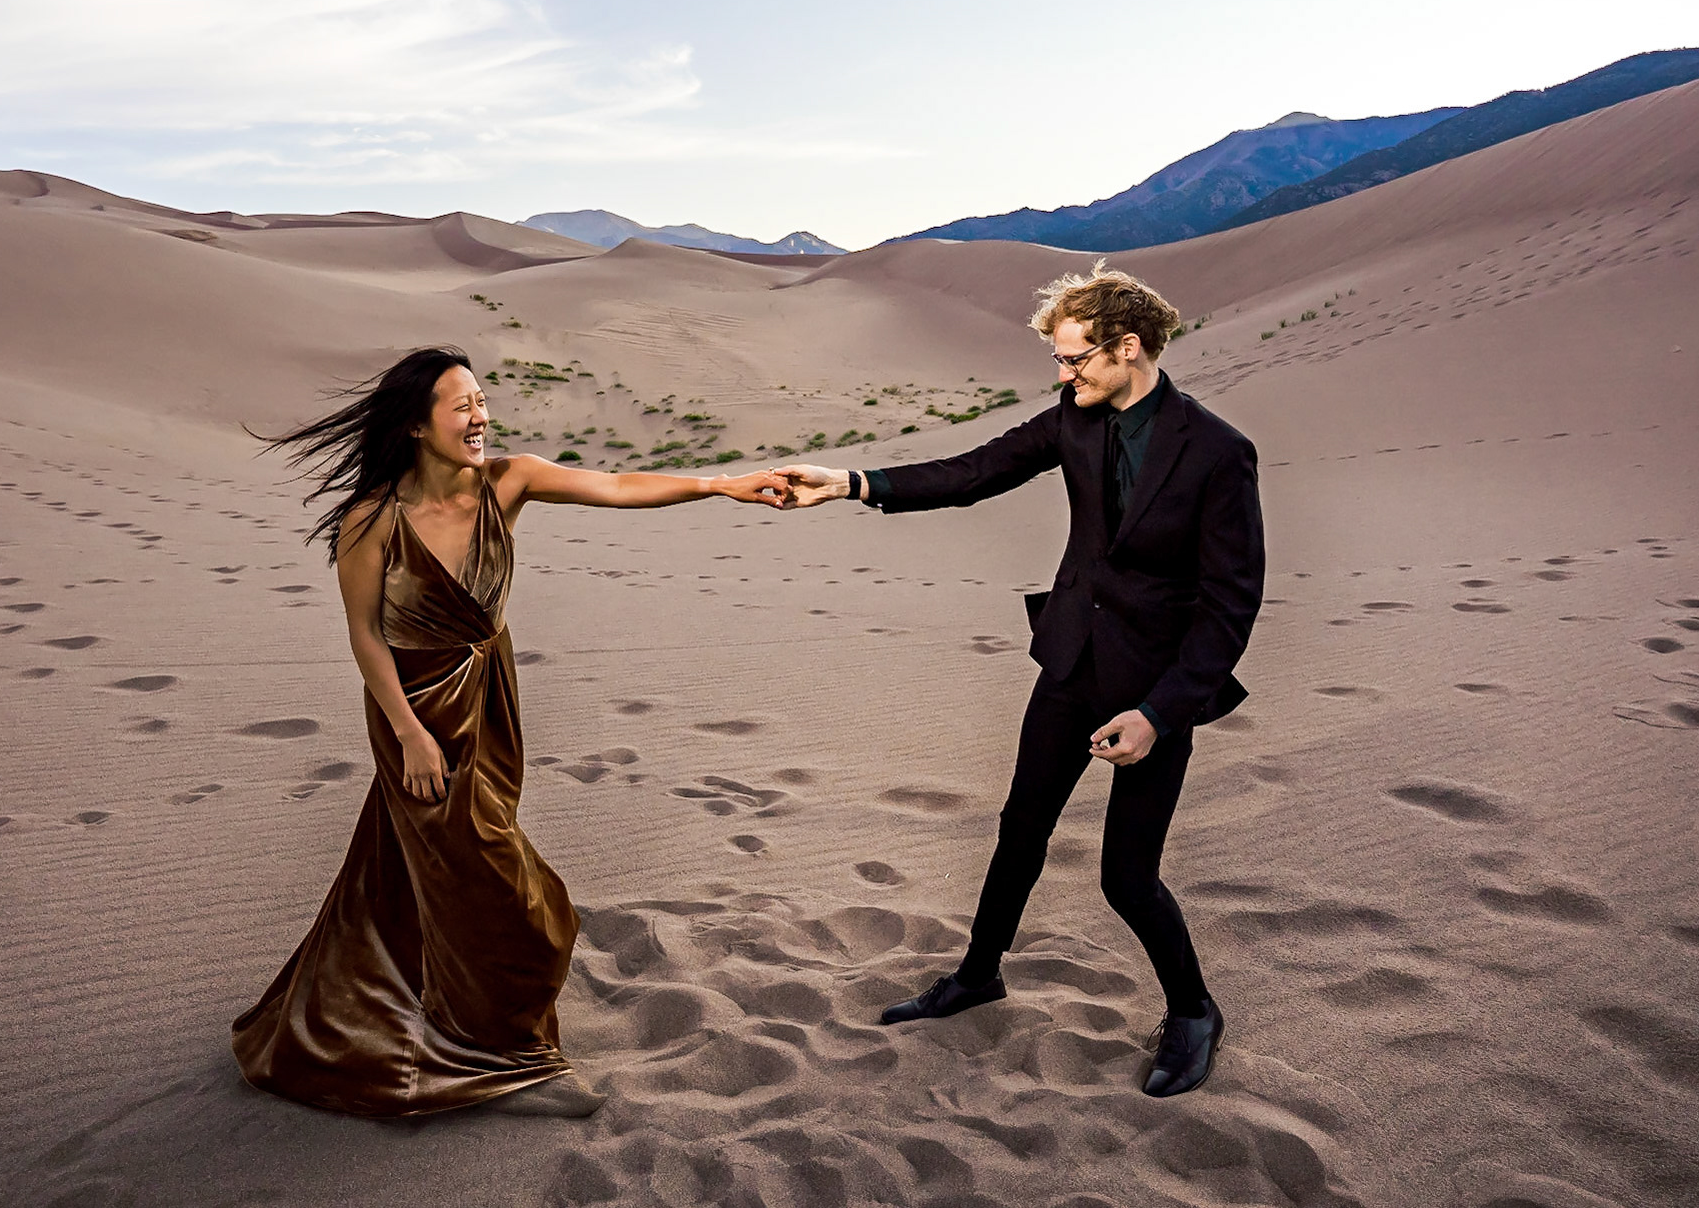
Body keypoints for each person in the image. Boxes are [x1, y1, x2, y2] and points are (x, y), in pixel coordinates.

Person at [232, 347, 788, 1117]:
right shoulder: (374, 519)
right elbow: (364, 634)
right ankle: (512, 1065)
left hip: (490, 701)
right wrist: (409, 736)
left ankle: (396, 1013)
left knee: (433, 867)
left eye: (482, 399)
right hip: (415, 713)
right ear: (417, 426)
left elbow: (621, 485)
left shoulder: (510, 481)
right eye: (461, 405)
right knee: (516, 896)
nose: (480, 416)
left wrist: (722, 484)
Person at [778, 265, 1263, 1097]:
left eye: (1075, 360)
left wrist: (1157, 712)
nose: (1063, 376)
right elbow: (973, 471)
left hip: (1154, 690)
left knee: (1125, 875)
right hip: (1072, 660)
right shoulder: (1073, 420)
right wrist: (853, 483)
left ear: (1129, 347)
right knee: (1019, 829)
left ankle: (1192, 1010)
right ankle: (978, 974)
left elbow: (1230, 605)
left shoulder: (1217, 451)